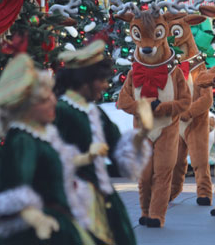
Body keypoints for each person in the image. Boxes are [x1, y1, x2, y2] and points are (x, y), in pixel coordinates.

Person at [0, 53, 103, 245]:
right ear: (27, 107)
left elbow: (56, 163)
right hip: (39, 234)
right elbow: (15, 190)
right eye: (46, 99)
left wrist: (88, 156)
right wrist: (38, 219)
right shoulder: (22, 140)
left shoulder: (41, 133)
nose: (54, 101)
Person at [54, 40, 153, 243]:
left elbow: (120, 154)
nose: (106, 85)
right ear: (85, 80)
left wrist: (143, 132)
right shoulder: (60, 111)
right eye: (101, 80)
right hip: (71, 200)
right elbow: (49, 158)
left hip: (101, 198)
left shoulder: (94, 112)